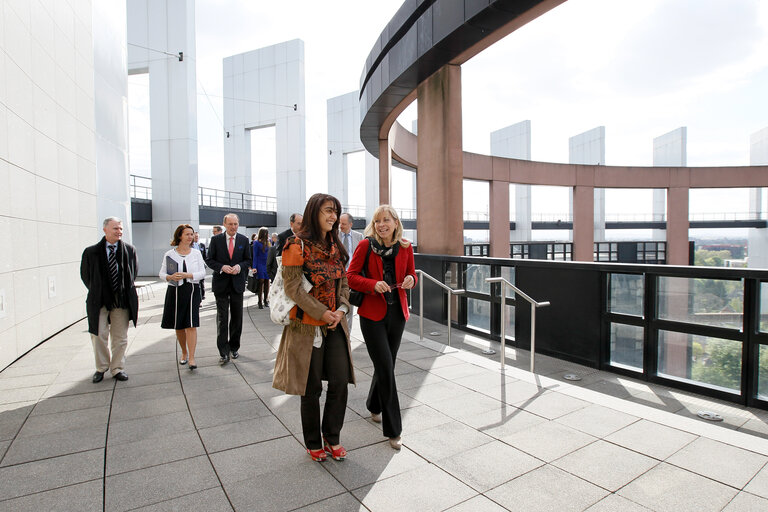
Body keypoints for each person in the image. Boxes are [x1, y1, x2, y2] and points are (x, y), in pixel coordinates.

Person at [272, 193, 355, 462]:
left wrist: (340, 309)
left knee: (340, 382)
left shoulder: (336, 246)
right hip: (306, 327)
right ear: (313, 212)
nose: (333, 216)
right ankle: (313, 442)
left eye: (336, 212)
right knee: (311, 389)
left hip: (335, 324)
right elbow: (293, 288)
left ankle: (332, 437)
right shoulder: (295, 245)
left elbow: (344, 282)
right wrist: (323, 313)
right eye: (328, 211)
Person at [347, 205, 417, 450]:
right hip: (372, 315)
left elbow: (411, 275)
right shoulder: (366, 245)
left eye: (386, 220)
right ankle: (394, 429)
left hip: (397, 313)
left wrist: (411, 280)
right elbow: (351, 276)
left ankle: (373, 405)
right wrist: (372, 284)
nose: (381, 225)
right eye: (377, 221)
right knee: (386, 367)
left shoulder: (406, 247)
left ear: (396, 223)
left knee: (387, 364)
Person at [80, 217, 139, 383]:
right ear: (105, 229)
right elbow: (86, 276)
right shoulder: (91, 252)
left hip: (121, 300)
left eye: (120, 229)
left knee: (120, 337)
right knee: (98, 334)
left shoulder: (129, 250)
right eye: (115, 229)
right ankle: (101, 367)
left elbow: (133, 273)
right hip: (99, 300)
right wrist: (99, 290)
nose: (119, 231)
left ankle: (117, 368)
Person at [206, 214, 252, 364]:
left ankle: (234, 347)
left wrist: (239, 267)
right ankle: (223, 351)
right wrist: (221, 267)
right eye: (230, 224)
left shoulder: (244, 240)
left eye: (236, 224)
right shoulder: (216, 240)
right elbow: (209, 260)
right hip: (221, 284)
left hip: (237, 284)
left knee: (237, 317)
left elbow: (248, 260)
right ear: (224, 224)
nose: (233, 227)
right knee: (222, 318)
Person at [159, 224, 206, 370]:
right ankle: (184, 352)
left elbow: (202, 273)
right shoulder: (170, 254)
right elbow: (161, 274)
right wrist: (169, 276)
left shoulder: (196, 253)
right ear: (179, 236)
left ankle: (192, 357)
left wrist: (188, 275)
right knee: (179, 325)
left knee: (191, 324)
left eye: (192, 234)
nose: (190, 237)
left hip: (192, 290)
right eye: (187, 234)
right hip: (175, 291)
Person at [339, 213, 364, 327]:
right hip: (338, 276)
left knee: (350, 305)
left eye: (343, 224)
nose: (341, 226)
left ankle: (347, 332)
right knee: (339, 303)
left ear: (350, 224)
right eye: (340, 223)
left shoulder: (359, 237)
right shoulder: (334, 235)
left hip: (352, 276)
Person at [251, 227, 271, 308]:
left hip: (267, 264)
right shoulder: (256, 243)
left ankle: (266, 300)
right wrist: (254, 267)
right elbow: (255, 256)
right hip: (260, 264)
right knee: (261, 282)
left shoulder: (268, 242)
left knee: (267, 282)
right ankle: (259, 301)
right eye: (266, 233)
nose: (267, 234)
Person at [192, 231, 206, 300]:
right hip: (194, 267)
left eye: (197, 237)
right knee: (197, 282)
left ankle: (202, 295)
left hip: (201, 266)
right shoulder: (190, 246)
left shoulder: (202, 245)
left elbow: (205, 256)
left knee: (201, 281)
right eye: (195, 237)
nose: (196, 238)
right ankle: (199, 298)